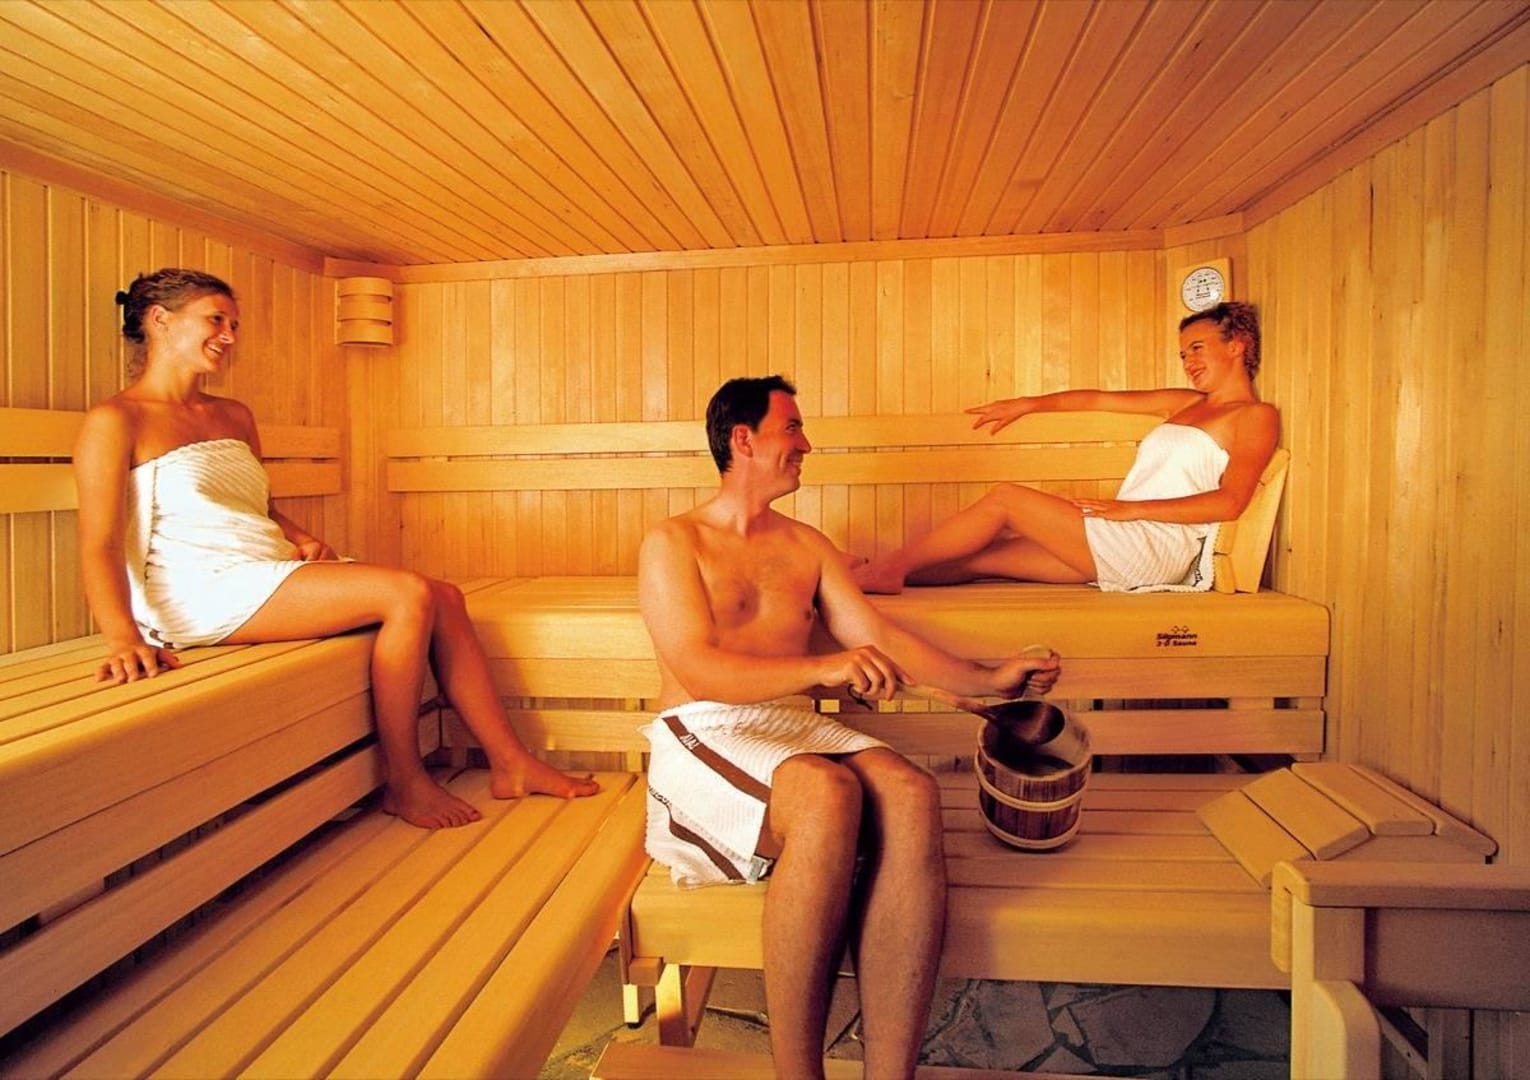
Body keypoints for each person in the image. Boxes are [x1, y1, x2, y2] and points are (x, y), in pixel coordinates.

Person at [637, 375, 1061, 1080]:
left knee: (911, 792)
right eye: (792, 428)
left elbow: (877, 637)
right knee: (826, 794)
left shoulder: (807, 545)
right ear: (743, 440)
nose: (806, 444)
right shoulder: (674, 542)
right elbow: (700, 670)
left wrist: (987, 681)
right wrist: (825, 667)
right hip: (703, 729)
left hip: (791, 727)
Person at [74, 268, 597, 829]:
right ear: (160, 320)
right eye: (216, 319)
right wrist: (122, 636)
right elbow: (100, 542)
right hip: (197, 589)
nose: (228, 335)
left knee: (443, 595)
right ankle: (405, 781)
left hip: (258, 567)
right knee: (407, 594)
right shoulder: (117, 420)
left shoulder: (232, 415)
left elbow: (256, 506)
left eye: (234, 324)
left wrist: (297, 535)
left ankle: (511, 761)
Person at [853, 301, 1279, 594]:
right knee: (977, 560)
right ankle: (858, 579)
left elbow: (1230, 502)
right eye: (1183, 354)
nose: (1188, 362)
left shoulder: (1254, 416)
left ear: (1236, 345)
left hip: (1153, 546)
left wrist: (1131, 509)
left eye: (1197, 349)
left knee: (1006, 499)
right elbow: (1098, 399)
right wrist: (1029, 404)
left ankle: (889, 567)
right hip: (1122, 536)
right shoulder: (1186, 403)